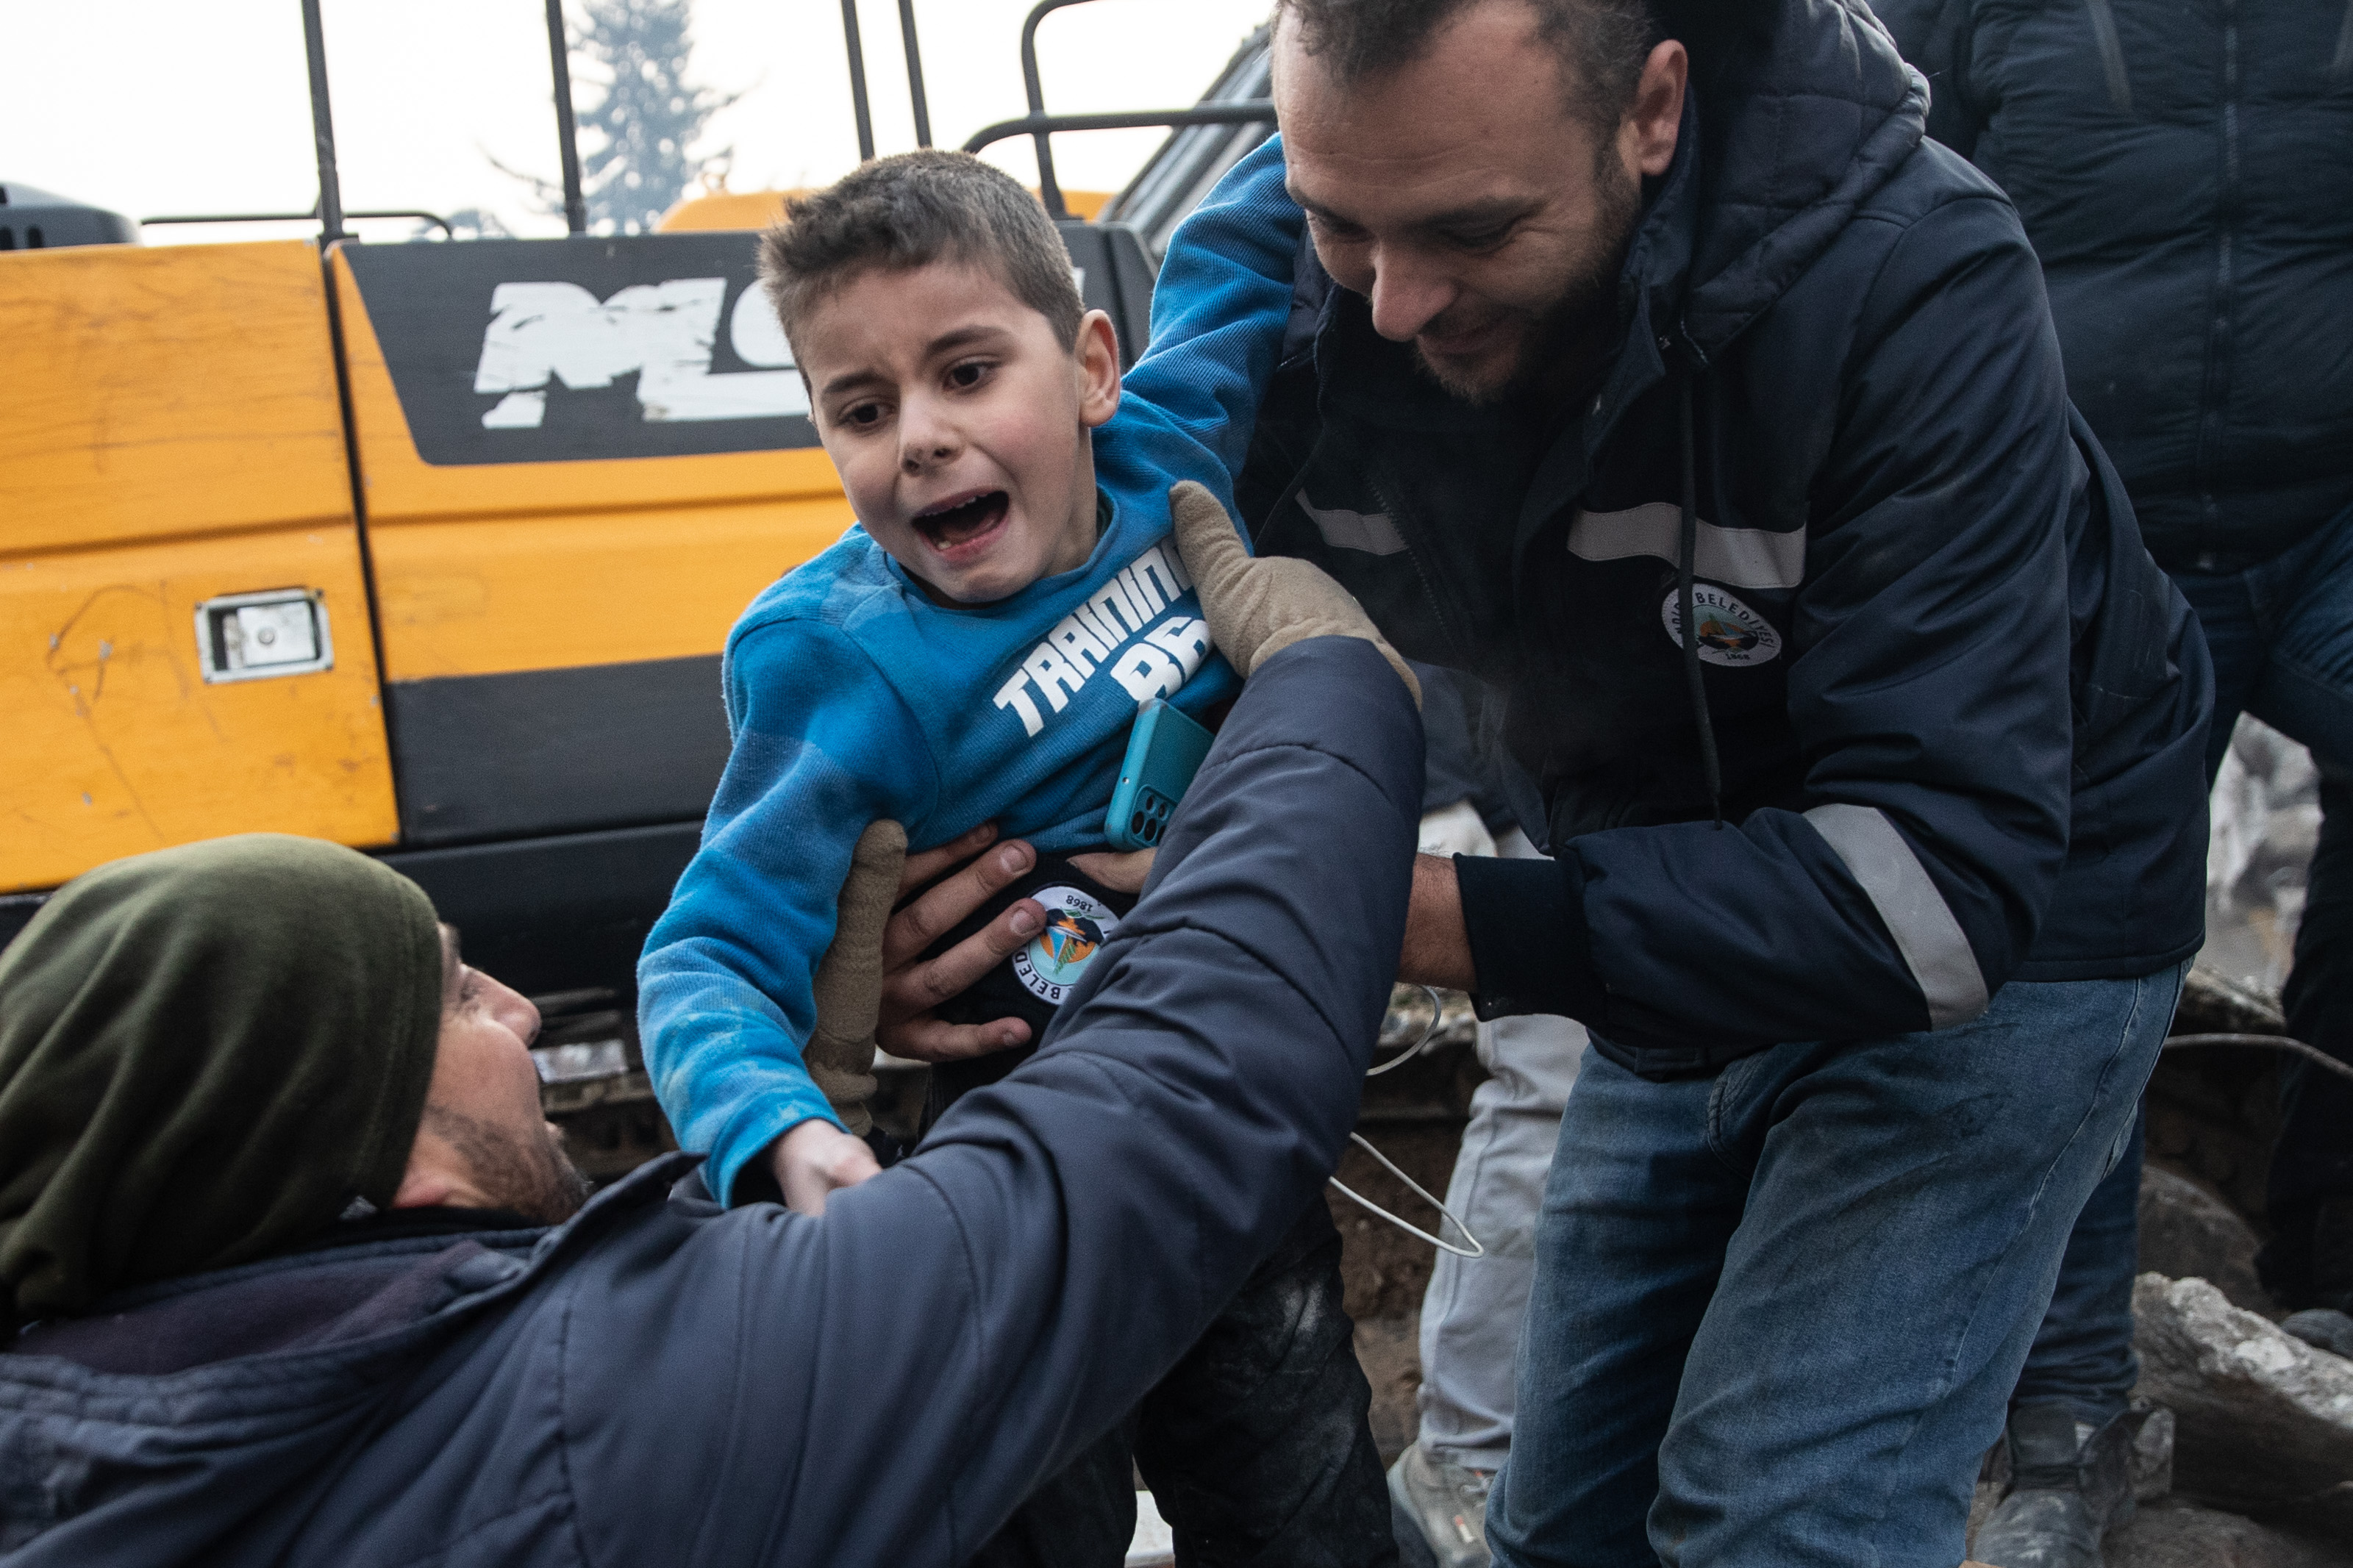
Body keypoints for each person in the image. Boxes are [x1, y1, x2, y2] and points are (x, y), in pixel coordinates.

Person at [1150, 1, 2215, 1563]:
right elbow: (1079, 574)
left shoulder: (1912, 283)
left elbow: (1933, 897)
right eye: (1337, 224)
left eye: (1468, 231)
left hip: (2009, 896)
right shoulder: (1285, 275)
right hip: (1658, 854)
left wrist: (1409, 911)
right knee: (1565, 1512)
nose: (1391, 303)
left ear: (1652, 111)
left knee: (1775, 1514)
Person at [0, 564, 1425, 1567]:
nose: (517, 1009)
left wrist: (805, 1111)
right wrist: (1324, 704)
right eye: (451, 995)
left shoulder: (69, 1433)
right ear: (381, 1143)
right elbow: (1170, 1125)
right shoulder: (598, 1419)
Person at [635, 151, 1399, 1564]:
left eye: (967, 373)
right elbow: (708, 951)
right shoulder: (832, 661)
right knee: (1021, 1532)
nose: (917, 436)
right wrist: (785, 1127)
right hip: (1009, 1193)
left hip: (1227, 1143)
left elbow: (1244, 244)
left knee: (1306, 1508)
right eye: (860, 409)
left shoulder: (1166, 455)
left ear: (1095, 367)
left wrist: (1329, 101)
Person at [1871, 5, 2353, 1562]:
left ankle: (2331, 1265)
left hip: (2330, 515)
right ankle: (2067, 1414)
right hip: (2095, 520)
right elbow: (1866, 176)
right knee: (2071, 918)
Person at [1399, 669, 1587, 1568]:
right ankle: (1464, 1455)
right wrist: (1434, 775)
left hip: (1657, 784)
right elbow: (1399, 552)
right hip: (1515, 773)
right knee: (1547, 1093)